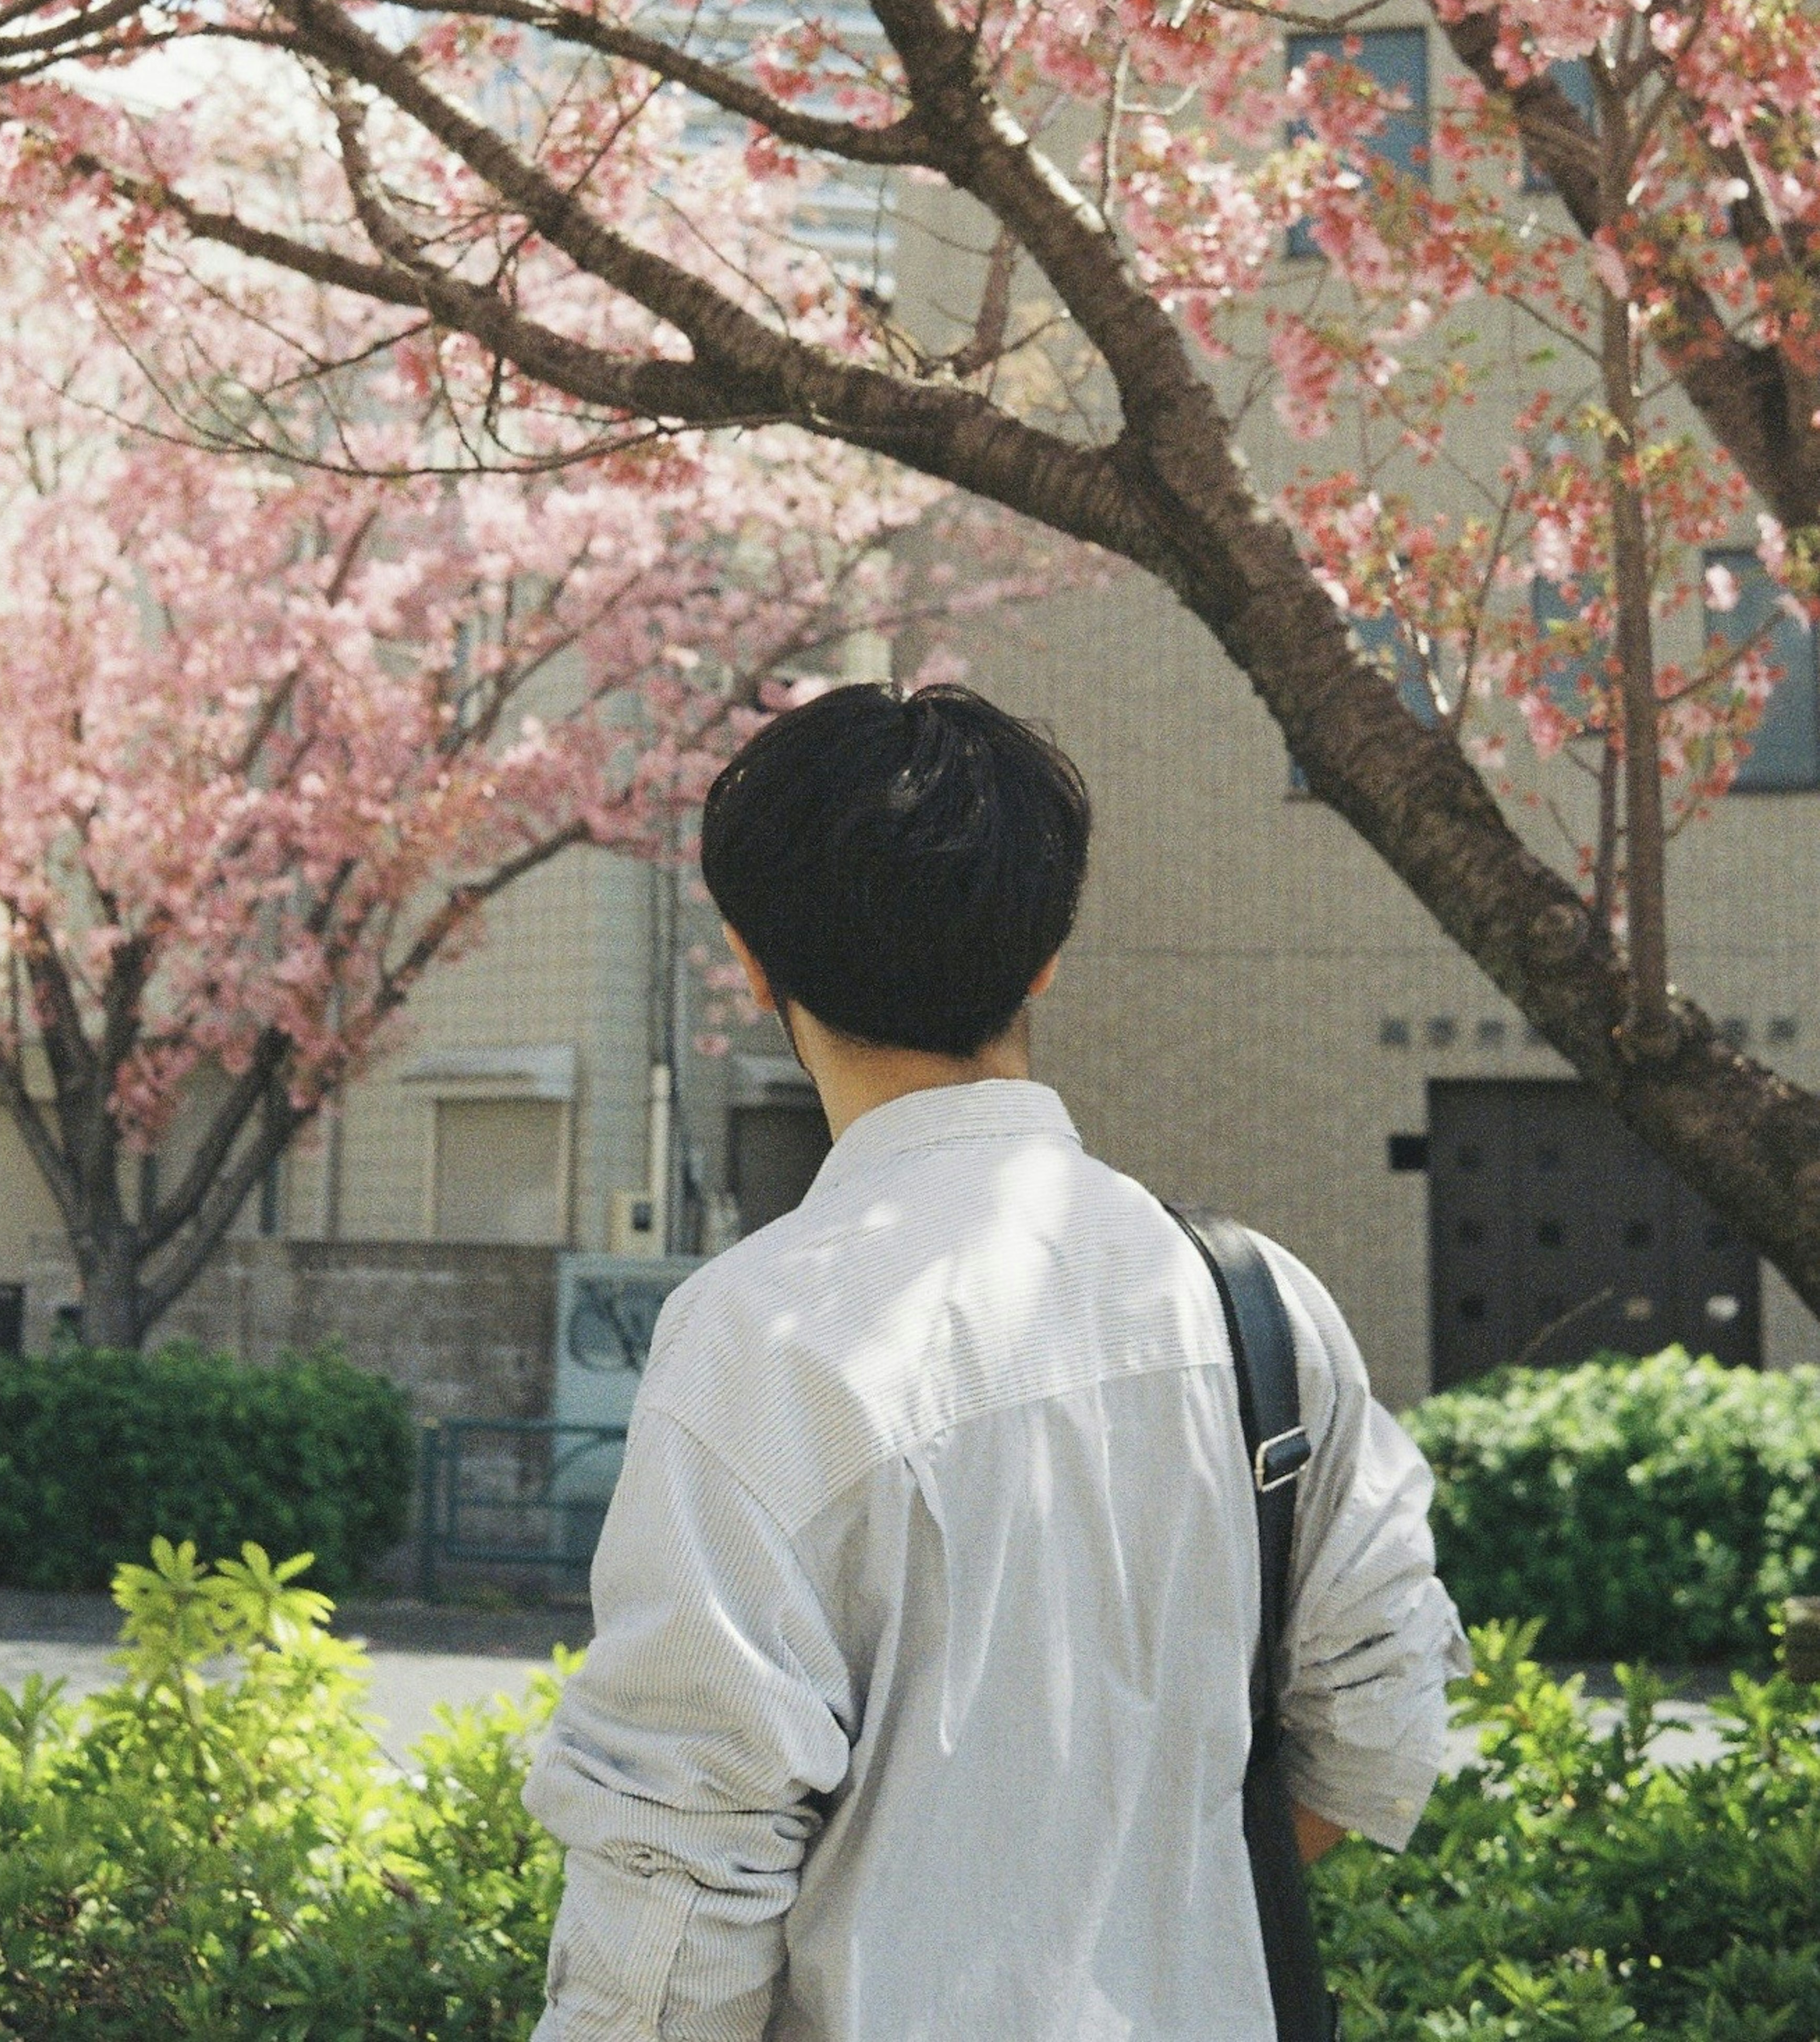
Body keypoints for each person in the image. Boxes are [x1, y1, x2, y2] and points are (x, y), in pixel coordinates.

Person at [524, 682, 1466, 2041]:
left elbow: (672, 1920)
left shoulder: (757, 1338)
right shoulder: (1251, 1299)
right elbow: (1377, 1728)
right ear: (1045, 955)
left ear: (751, 960)